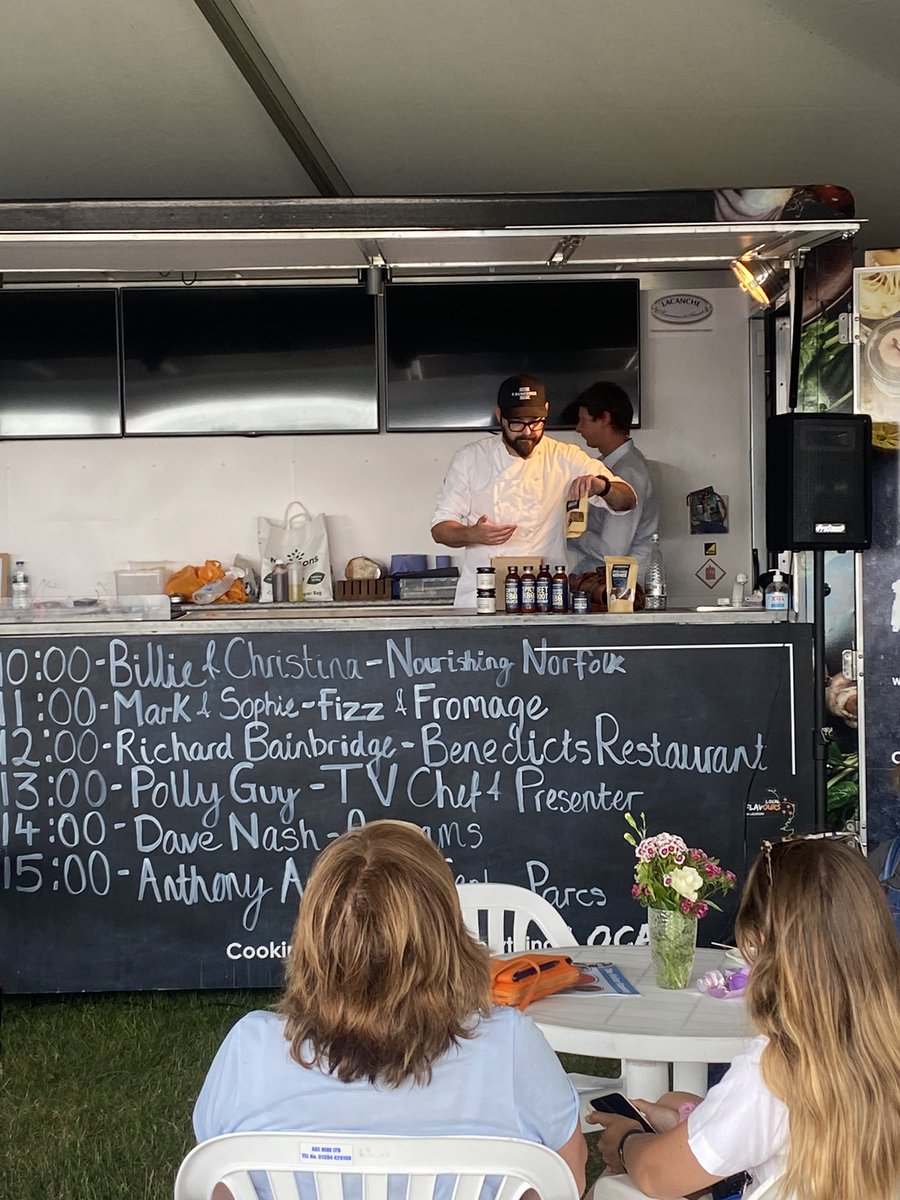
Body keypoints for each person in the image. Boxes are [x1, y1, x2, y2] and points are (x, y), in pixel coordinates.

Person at [193, 820, 586, 1195]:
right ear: (445, 937)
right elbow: (567, 1180)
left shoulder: (249, 1052)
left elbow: (216, 1185)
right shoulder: (511, 1048)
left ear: (313, 939)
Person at [588, 836, 900, 1200]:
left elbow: (658, 1176)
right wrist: (692, 1122)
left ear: (763, 944)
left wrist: (627, 1141)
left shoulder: (774, 1070)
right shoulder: (879, 1048)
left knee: (607, 1190)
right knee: (676, 1100)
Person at [431, 374, 636, 607]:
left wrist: (603, 486)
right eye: (517, 423)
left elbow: (626, 500)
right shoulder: (470, 458)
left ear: (546, 411)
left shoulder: (565, 457)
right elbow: (440, 529)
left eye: (536, 422)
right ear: (499, 415)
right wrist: (472, 534)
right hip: (480, 599)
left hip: (546, 599)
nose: (527, 432)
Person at [564, 381, 659, 578]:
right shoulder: (603, 465)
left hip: (623, 588)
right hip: (602, 580)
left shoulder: (629, 471)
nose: (578, 429)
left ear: (605, 418)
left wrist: (567, 530)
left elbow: (613, 550)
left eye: (584, 420)